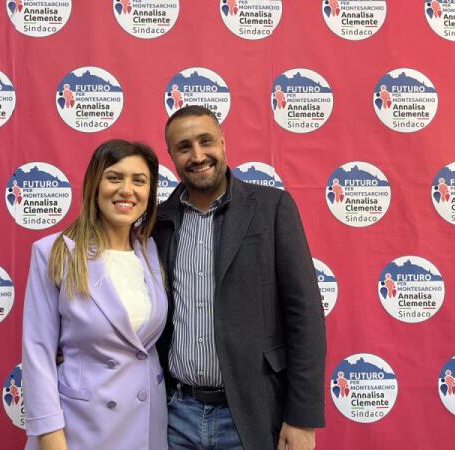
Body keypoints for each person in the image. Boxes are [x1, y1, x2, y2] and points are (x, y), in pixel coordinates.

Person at [153, 106, 326, 450]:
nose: (197, 156)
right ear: (171, 156)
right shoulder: (158, 223)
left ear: (223, 143)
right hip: (175, 416)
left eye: (205, 141)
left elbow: (305, 318)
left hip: (251, 414)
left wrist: (302, 419)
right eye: (184, 147)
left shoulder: (272, 208)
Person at [22, 139, 168, 450]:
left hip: (147, 424)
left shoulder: (152, 250)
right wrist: (49, 436)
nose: (127, 190)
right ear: (95, 185)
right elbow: (38, 351)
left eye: (139, 181)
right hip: (82, 426)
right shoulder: (55, 252)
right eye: (114, 178)